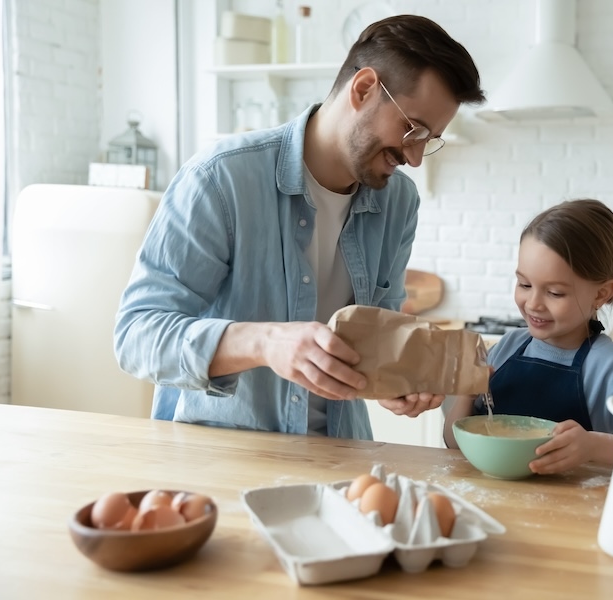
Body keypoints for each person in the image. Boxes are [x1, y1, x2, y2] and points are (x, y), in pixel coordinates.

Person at [114, 15, 485, 439]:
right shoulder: (220, 179)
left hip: (339, 455)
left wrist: (398, 380)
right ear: (363, 90)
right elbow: (136, 335)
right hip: (220, 455)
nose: (416, 157)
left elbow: (378, 339)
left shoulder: (398, 202)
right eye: (412, 130)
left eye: (429, 139)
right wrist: (264, 343)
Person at [443, 199, 613, 474]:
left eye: (555, 292)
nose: (533, 303)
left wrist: (592, 446)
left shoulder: (606, 366)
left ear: (602, 294)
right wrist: (465, 395)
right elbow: (452, 444)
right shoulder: (508, 347)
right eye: (524, 284)